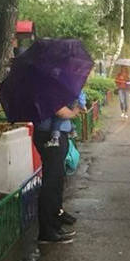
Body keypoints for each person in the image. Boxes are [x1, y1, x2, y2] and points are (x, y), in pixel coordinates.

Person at [33, 104, 82, 243]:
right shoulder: (44, 86)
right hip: (49, 136)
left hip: (58, 135)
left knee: (57, 180)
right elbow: (59, 111)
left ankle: (55, 222)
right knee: (51, 183)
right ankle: (47, 231)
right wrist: (74, 112)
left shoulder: (52, 85)